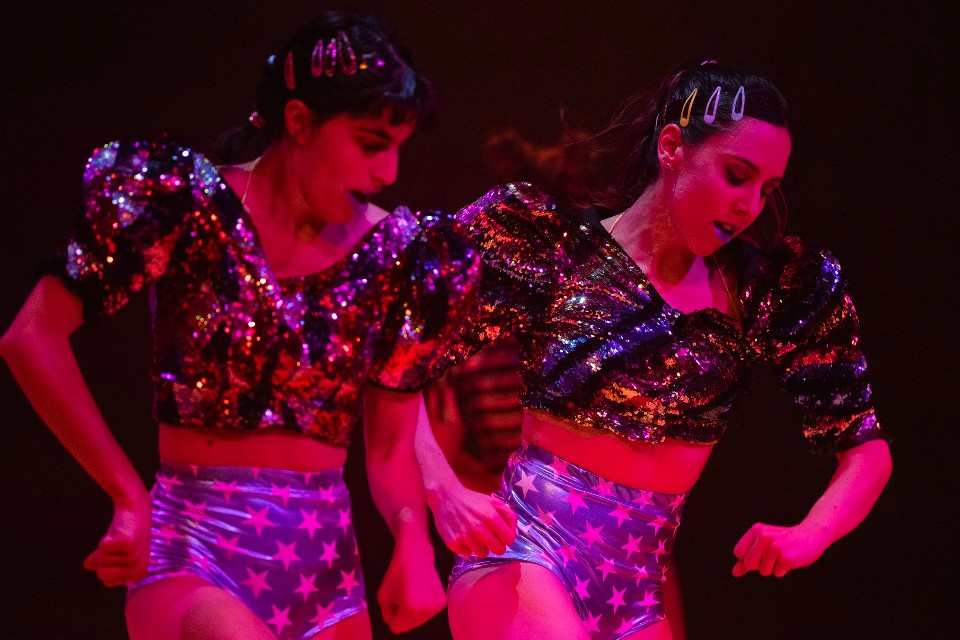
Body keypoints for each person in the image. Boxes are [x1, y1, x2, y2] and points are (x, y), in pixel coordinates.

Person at [0, 10, 499, 640]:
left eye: (399, 147)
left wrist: (411, 542)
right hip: (195, 552)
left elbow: (391, 446)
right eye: (372, 144)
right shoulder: (188, 208)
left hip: (327, 573)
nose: (389, 173)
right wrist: (126, 493)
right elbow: (31, 336)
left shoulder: (397, 255)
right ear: (299, 122)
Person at [417, 60, 892, 639]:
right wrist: (441, 489)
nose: (749, 205)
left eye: (766, 189)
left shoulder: (767, 291)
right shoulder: (558, 250)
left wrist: (810, 534)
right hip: (527, 550)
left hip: (638, 588)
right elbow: (393, 351)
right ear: (672, 147)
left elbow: (867, 451)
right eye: (736, 175)